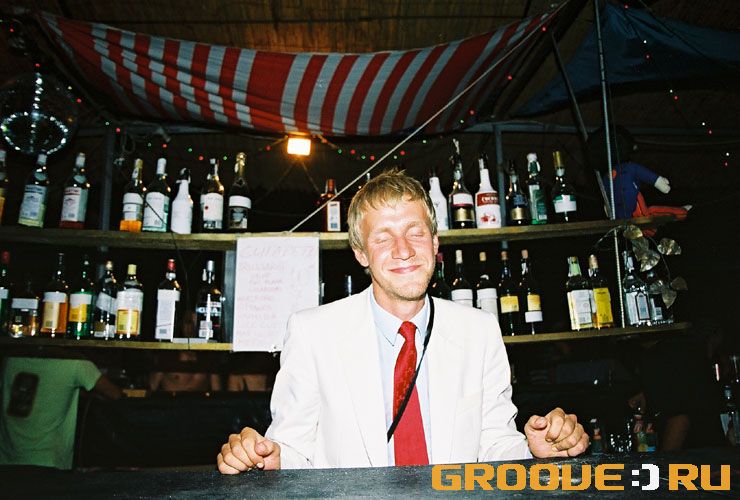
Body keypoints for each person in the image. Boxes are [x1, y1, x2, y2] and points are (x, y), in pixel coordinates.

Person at [217, 169, 588, 472]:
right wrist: (266, 457)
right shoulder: (312, 332)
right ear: (361, 254)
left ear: (435, 242)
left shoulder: (479, 330)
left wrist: (535, 449)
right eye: (383, 238)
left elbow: (494, 443)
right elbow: (295, 449)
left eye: (415, 232)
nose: (404, 250)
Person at [0, 350, 122, 469]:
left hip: (7, 461)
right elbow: (115, 394)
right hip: (48, 463)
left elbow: (44, 389)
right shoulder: (75, 363)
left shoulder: (10, 359)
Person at [149, 351, 222, 393]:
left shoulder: (208, 358)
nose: (190, 330)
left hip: (198, 407)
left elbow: (217, 392)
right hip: (172, 406)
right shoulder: (166, 357)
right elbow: (151, 388)